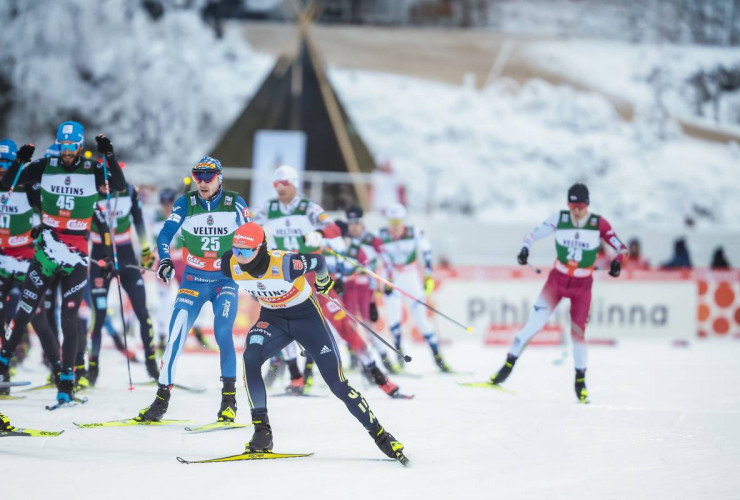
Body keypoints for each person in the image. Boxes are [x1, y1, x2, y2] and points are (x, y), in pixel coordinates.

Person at [222, 222, 408, 464]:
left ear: (261, 249)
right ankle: (262, 433)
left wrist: (322, 281)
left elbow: (319, 262)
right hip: (272, 319)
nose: (240, 257)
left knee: (337, 384)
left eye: (246, 251)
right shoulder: (230, 264)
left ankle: (382, 436)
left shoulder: (286, 264)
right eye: (237, 250)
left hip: (306, 318)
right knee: (250, 358)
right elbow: (206, 266)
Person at [0, 123, 126, 404]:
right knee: (25, 312)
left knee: (69, 319)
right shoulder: (47, 165)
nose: (67, 151)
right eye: (63, 145)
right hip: (45, 250)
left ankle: (66, 381)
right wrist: (20, 161)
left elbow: (118, 185)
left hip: (78, 254)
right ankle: (3, 365)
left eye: (72, 146)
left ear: (80, 145)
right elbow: (7, 183)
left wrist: (110, 157)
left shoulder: (92, 169)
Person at [253, 166, 400, 397]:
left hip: (313, 276)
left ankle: (380, 377)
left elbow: (333, 229)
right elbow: (246, 227)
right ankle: (295, 377)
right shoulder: (268, 209)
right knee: (281, 323)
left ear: (294, 184)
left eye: (284, 183)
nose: (279, 188)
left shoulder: (308, 208)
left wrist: (321, 235)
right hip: (284, 278)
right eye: (276, 184)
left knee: (342, 324)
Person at [135, 157, 248, 423]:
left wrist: (254, 269)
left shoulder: (234, 203)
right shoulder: (186, 202)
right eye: (198, 176)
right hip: (194, 280)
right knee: (174, 337)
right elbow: (165, 235)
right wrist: (164, 260)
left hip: (224, 281)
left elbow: (252, 236)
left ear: (219, 177)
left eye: (209, 176)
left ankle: (228, 401)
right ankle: (161, 400)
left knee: (223, 333)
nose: (203, 182)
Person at [489, 183, 626, 402]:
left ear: (587, 204)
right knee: (533, 324)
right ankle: (506, 367)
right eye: (572, 205)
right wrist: (525, 249)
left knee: (578, 333)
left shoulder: (598, 223)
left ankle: (580, 382)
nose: (576, 210)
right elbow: (533, 234)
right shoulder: (560, 218)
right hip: (558, 280)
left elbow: (621, 247)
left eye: (580, 205)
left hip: (582, 285)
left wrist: (617, 262)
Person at [88, 181, 158, 385]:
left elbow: (139, 222)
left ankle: (151, 364)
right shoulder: (89, 191)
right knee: (99, 315)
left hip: (126, 257)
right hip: (100, 258)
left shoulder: (127, 191)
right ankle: (92, 367)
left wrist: (146, 251)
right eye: (102, 183)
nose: (106, 187)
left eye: (111, 182)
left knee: (142, 313)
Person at [378, 203, 450, 372]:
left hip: (410, 279)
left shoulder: (414, 232)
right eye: (392, 222)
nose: (395, 226)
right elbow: (372, 255)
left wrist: (428, 275)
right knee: (394, 320)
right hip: (392, 278)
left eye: (398, 221)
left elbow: (427, 253)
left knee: (422, 320)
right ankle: (400, 360)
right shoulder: (380, 235)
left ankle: (439, 360)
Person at [344, 205, 397, 372]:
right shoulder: (345, 240)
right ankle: (354, 358)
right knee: (349, 323)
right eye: (350, 223)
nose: (353, 227)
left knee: (369, 325)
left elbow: (387, 260)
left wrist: (388, 281)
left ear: (362, 223)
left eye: (357, 223)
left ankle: (385, 360)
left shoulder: (371, 240)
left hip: (367, 288)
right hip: (349, 286)